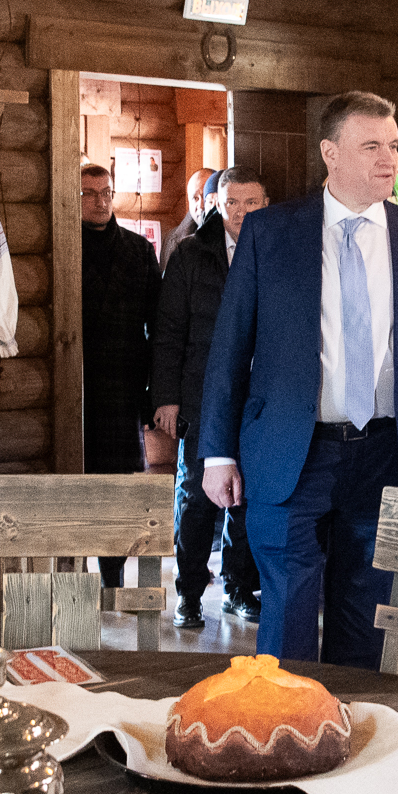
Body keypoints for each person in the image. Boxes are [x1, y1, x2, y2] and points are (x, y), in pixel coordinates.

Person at [199, 90, 398, 668]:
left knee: (368, 621)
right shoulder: (271, 233)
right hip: (291, 452)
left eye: (394, 145)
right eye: (371, 146)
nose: (389, 159)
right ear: (330, 153)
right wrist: (217, 454)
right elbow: (229, 350)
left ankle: (353, 723)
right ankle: (284, 721)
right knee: (286, 620)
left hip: (389, 454)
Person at [153, 164, 268, 629]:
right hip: (201, 394)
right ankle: (189, 593)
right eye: (232, 202)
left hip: (259, 398)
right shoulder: (190, 254)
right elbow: (167, 332)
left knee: (248, 496)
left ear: (265, 205)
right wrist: (166, 397)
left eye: (251, 202)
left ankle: (239, 588)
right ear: (216, 204)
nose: (241, 211)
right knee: (197, 498)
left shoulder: (276, 253)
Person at [80, 163, 161, 588]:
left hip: (123, 385)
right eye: (89, 193)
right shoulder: (65, 247)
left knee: (117, 485)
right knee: (78, 481)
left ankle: (112, 577)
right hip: (77, 384)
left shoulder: (138, 250)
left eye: (105, 192)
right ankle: (77, 573)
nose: (99, 201)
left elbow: (158, 324)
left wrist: (153, 390)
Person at [162, 168, 216, 267]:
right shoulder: (171, 240)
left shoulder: (237, 235)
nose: (201, 206)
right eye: (195, 198)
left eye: (206, 197)